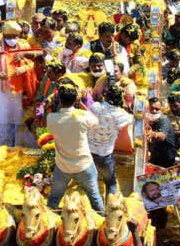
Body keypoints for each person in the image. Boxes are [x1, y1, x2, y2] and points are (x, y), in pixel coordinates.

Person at [46, 84, 105, 213]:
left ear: (60, 100)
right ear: (75, 100)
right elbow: (95, 120)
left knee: (53, 201)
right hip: (84, 165)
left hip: (63, 167)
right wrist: (81, 105)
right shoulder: (82, 117)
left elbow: (53, 127)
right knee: (95, 200)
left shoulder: (51, 119)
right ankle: (103, 222)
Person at [88, 84, 133, 195]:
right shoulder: (122, 115)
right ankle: (110, 207)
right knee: (111, 183)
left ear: (106, 97)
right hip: (105, 155)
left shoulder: (95, 107)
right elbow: (131, 119)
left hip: (89, 152)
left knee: (91, 182)